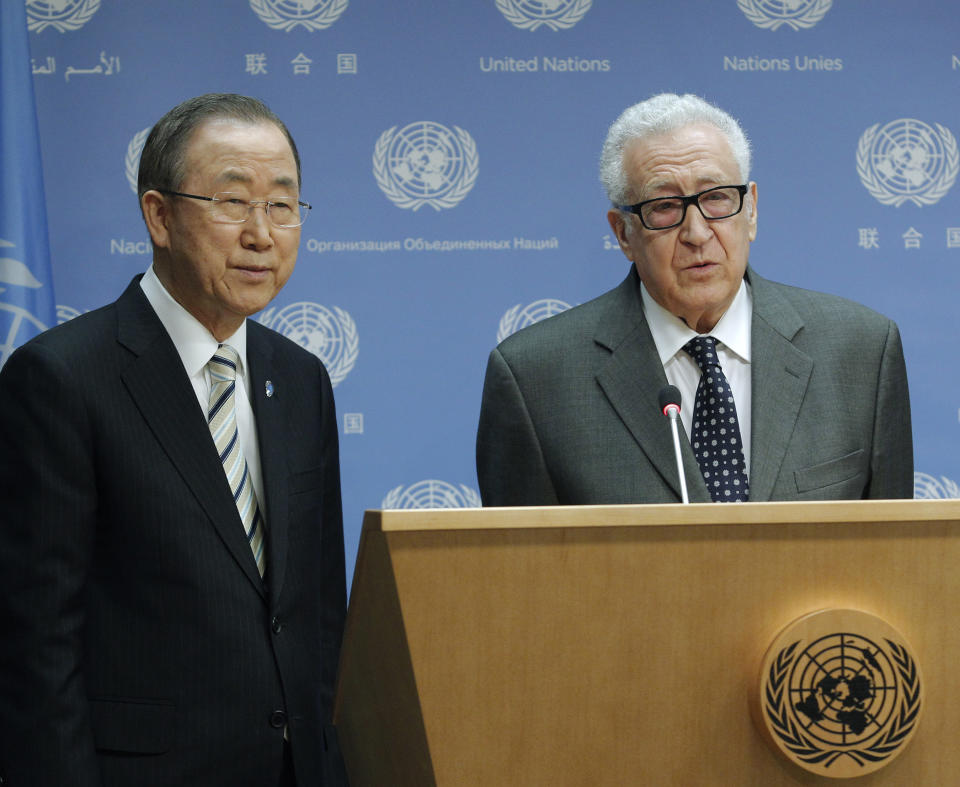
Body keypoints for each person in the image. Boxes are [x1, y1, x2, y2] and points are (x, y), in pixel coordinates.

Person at [0, 94, 348, 786]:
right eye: (232, 201)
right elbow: (35, 646)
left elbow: (316, 616)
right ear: (159, 215)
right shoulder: (62, 377)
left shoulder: (300, 378)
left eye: (282, 205)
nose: (262, 233)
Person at [476, 93, 913, 506]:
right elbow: (519, 577)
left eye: (717, 198)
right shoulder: (534, 380)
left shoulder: (862, 352)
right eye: (664, 206)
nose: (697, 233)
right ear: (623, 233)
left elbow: (895, 561)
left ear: (752, 210)